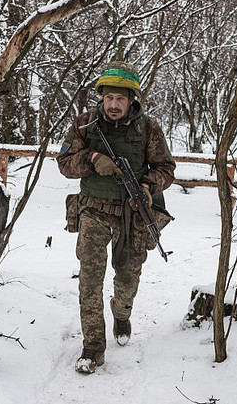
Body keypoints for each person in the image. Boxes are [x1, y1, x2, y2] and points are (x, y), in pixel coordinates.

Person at [56, 61, 175, 374]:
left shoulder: (148, 128)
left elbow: (166, 168)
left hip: (131, 215)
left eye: (120, 99)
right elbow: (65, 163)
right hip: (93, 212)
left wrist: (148, 186)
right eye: (109, 98)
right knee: (89, 283)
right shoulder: (84, 124)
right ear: (102, 97)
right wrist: (92, 158)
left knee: (127, 277)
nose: (113, 104)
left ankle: (121, 313)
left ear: (131, 99)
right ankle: (92, 349)